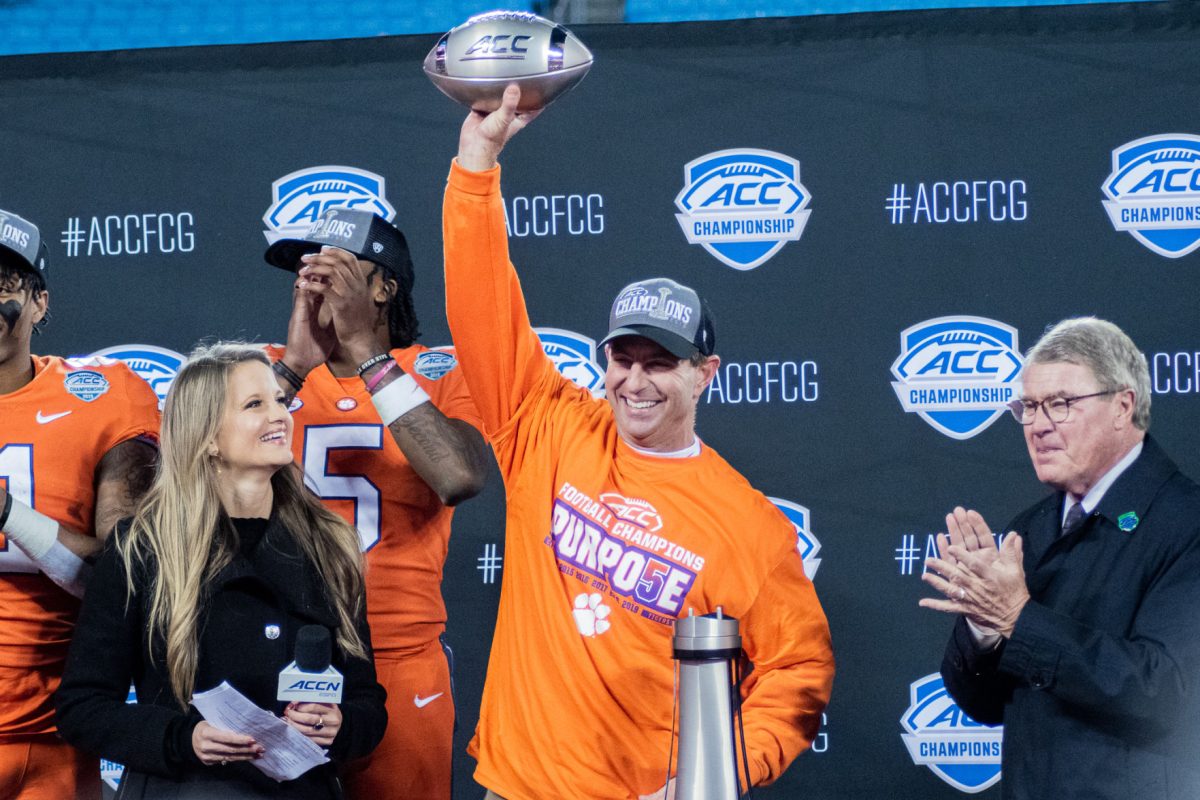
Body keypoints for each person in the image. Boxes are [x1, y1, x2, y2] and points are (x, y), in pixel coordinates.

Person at [442, 85, 834, 800]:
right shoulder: (547, 425)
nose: (635, 382)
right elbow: (481, 301)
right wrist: (476, 163)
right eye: (623, 360)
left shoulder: (750, 527)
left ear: (705, 374)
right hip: (516, 787)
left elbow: (799, 671)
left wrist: (715, 777)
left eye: (660, 364)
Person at [55, 344, 387, 799]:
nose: (279, 416)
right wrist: (182, 739)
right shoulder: (142, 547)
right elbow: (83, 707)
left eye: (278, 401)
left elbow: (368, 701)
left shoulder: (330, 545)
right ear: (207, 436)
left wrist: (341, 723)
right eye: (255, 404)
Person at [920, 317, 1200, 799]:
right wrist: (985, 628)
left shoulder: (1187, 522)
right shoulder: (1026, 531)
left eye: (1061, 404)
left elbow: (1169, 693)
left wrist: (1017, 619)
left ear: (1123, 405)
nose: (1038, 425)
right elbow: (985, 705)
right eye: (1027, 407)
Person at [263, 207, 488, 799]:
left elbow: (459, 476)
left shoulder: (436, 372)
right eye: (308, 270)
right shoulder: (262, 374)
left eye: (335, 266)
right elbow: (189, 489)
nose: (316, 280)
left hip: (397, 658)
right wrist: (290, 370)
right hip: (273, 653)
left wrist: (367, 351)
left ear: (383, 288)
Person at [0, 208, 159, 800]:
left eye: (4, 284)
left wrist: (7, 515)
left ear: (40, 302)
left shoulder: (101, 397)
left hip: (56, 733)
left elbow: (125, 574)